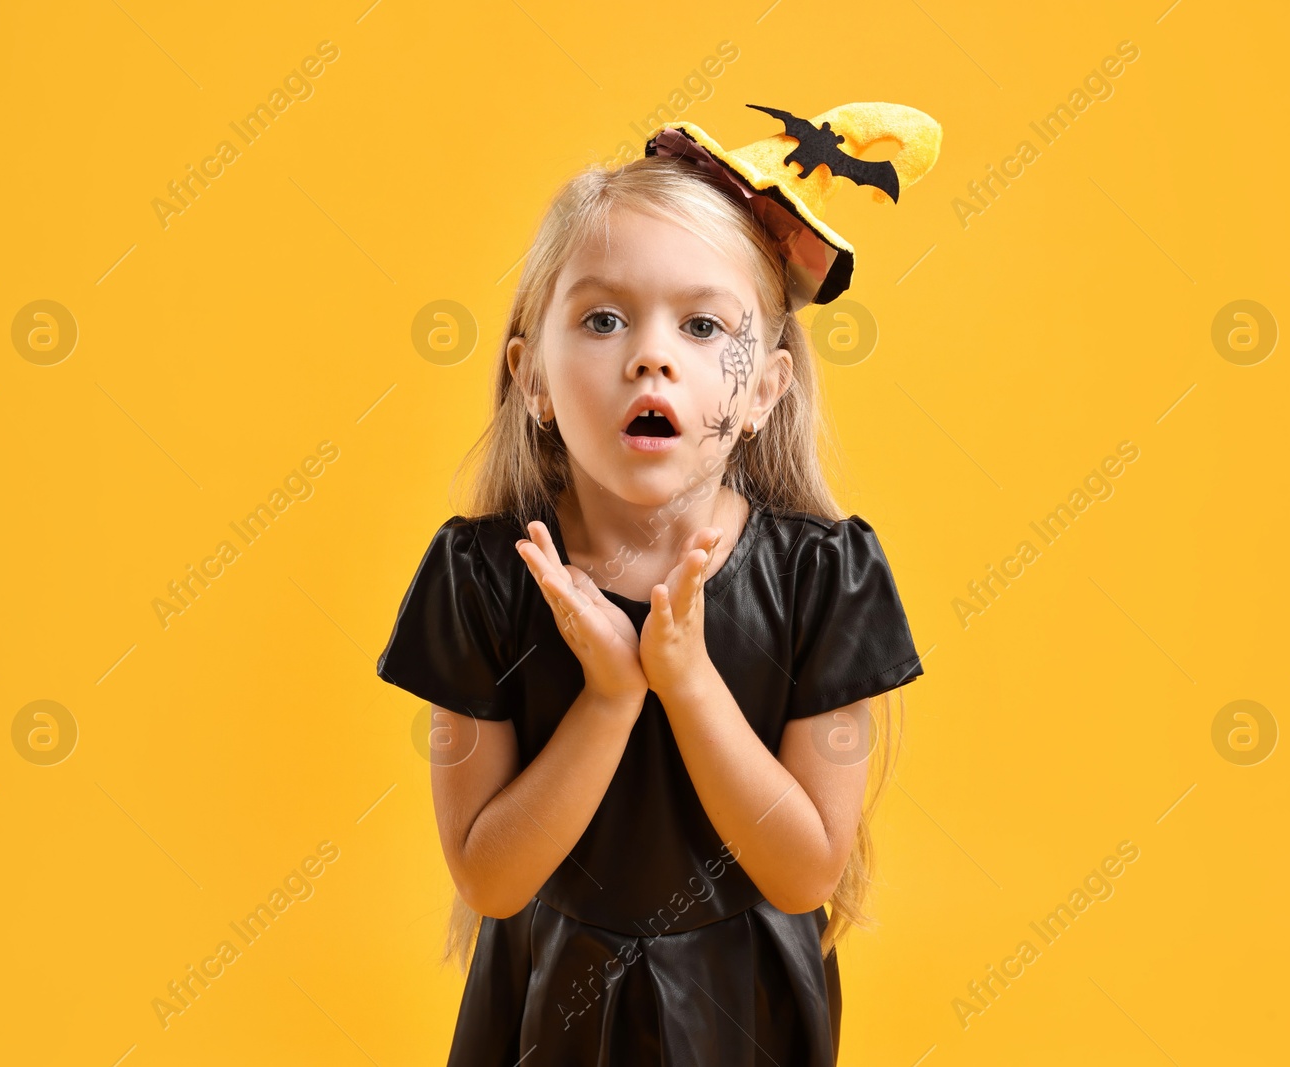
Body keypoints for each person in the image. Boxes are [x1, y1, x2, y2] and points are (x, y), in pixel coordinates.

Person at [376, 101, 942, 1066]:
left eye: (702, 323)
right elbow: (491, 879)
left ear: (766, 388)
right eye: (602, 318)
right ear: (534, 381)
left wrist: (686, 680)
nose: (652, 352)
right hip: (547, 1005)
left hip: (745, 1011)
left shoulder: (825, 580)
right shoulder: (478, 580)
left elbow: (804, 869)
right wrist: (610, 697)